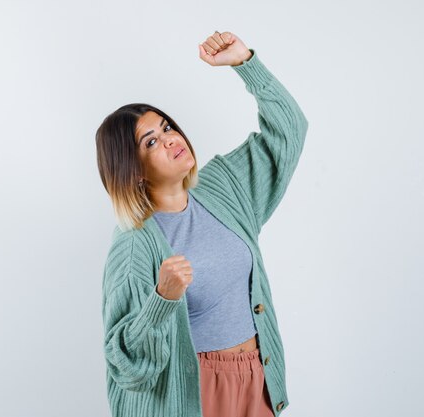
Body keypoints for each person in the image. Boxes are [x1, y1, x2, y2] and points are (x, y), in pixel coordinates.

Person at [95, 30, 308, 417]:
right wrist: (161, 300)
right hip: (195, 393)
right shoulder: (135, 244)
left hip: (258, 378)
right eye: (151, 142)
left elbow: (290, 133)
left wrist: (247, 64)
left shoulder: (223, 188)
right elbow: (123, 361)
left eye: (166, 128)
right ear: (134, 171)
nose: (171, 139)